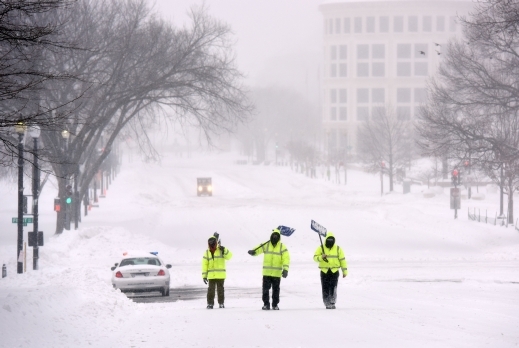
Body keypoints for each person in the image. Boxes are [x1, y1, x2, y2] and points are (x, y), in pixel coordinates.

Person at [247, 228, 290, 310]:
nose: (275, 237)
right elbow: (258, 249)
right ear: (271, 236)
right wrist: (253, 252)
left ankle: (275, 304)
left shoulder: (282, 247)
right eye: (273, 235)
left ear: (279, 237)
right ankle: (266, 304)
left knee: (276, 290)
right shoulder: (266, 245)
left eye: (276, 236)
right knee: (265, 290)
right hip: (266, 273)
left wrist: (285, 269)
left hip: (277, 273)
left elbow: (286, 258)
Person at [313, 232, 347, 309]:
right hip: (324, 271)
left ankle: (332, 301)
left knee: (333, 287)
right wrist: (321, 257)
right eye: (329, 240)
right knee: (325, 287)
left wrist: (344, 271)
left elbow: (342, 260)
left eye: (332, 240)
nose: (330, 241)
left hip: (334, 271)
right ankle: (326, 302)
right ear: (326, 240)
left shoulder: (338, 249)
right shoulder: (321, 248)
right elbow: (315, 258)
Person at [202, 235, 232, 309]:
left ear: (215, 242)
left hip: (220, 275)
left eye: (213, 243)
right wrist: (204, 276)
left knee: (220, 290)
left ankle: (221, 303)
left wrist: (224, 250)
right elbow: (204, 264)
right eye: (210, 243)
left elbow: (229, 256)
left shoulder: (221, 250)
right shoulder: (207, 252)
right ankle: (210, 304)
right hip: (211, 276)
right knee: (211, 291)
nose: (211, 244)